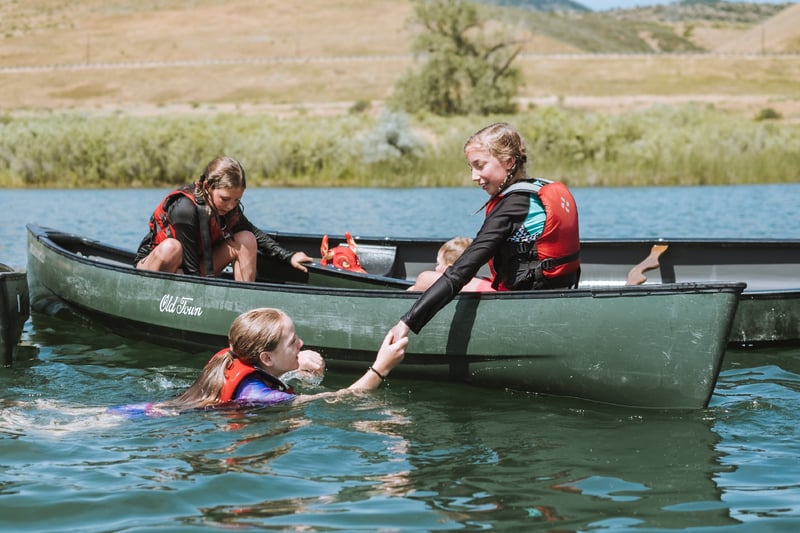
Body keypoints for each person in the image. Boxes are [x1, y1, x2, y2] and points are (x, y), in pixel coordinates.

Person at [389, 122, 580, 341]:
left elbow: (463, 269)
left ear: (509, 162)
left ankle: (398, 317)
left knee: (426, 279)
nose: (473, 176)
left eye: (480, 165)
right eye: (471, 167)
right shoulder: (538, 190)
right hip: (557, 296)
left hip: (523, 304)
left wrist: (408, 322)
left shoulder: (512, 206)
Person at [109, 307, 408, 417]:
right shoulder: (257, 395)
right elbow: (338, 399)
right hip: (145, 419)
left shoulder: (239, 361)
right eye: (293, 342)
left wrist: (294, 364)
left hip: (149, 408)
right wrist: (380, 368)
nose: (301, 343)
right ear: (265, 358)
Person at [134, 156, 312, 281]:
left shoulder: (228, 209)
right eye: (225, 199)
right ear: (206, 186)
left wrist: (289, 257)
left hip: (189, 271)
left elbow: (254, 233)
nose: (230, 206)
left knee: (246, 239)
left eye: (237, 200)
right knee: (171, 248)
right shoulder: (185, 209)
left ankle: (246, 308)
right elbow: (190, 267)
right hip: (160, 268)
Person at [407, 237, 495, 292]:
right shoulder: (484, 283)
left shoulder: (436, 283)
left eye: (438, 263)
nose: (436, 268)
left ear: (448, 268)